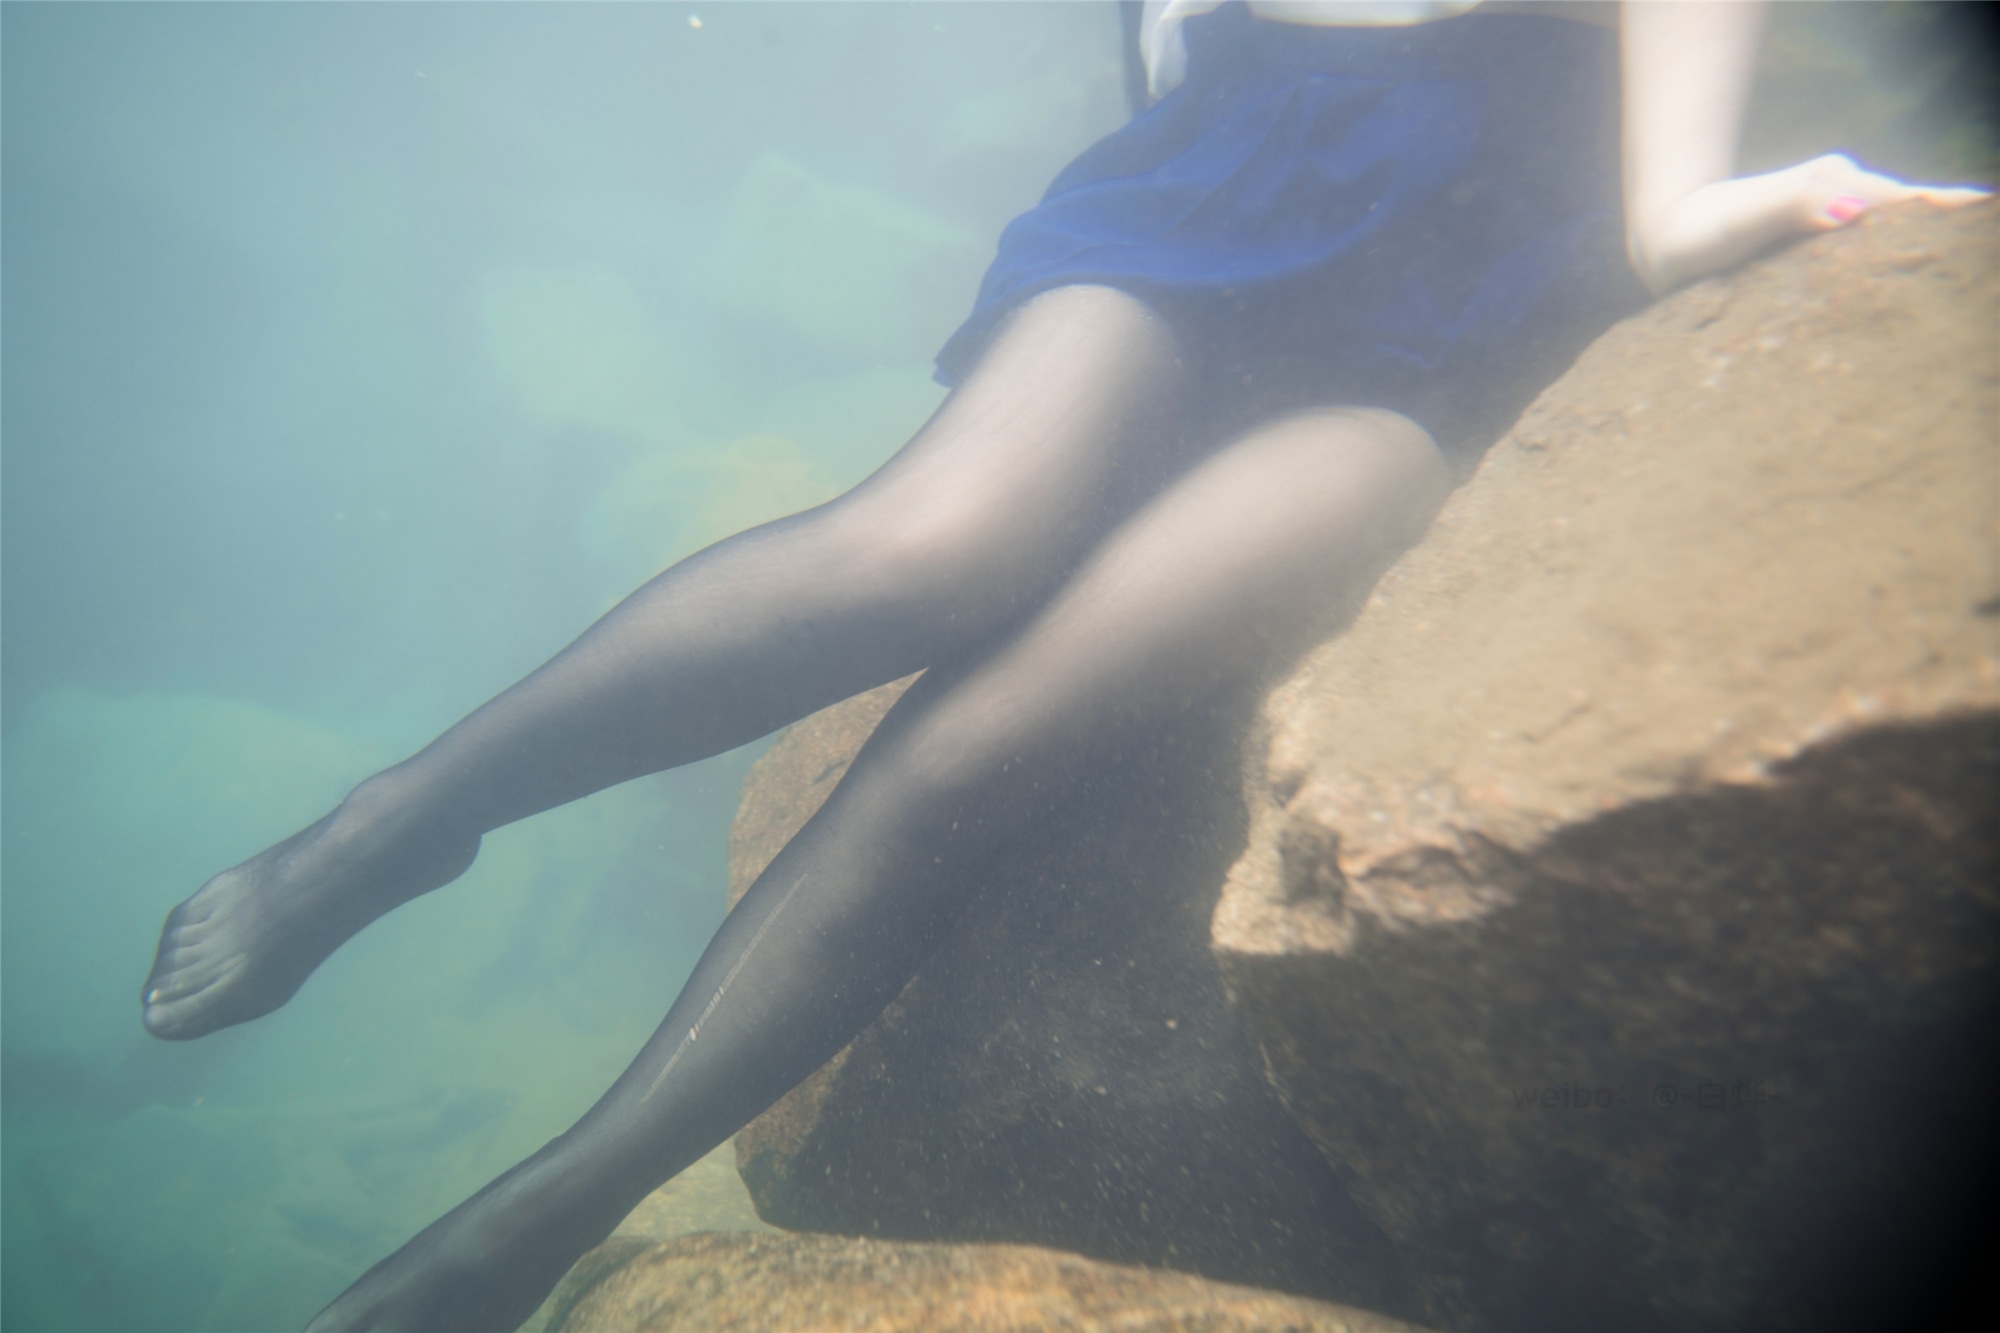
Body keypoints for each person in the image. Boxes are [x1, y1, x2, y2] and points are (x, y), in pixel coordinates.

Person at [138, 3, 1984, 1329]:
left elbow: (1660, 217)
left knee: (988, 746)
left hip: (1453, 316)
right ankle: (400, 820)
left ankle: (545, 1205)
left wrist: (1777, 214)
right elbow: (1167, 61)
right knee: (935, 544)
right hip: (1202, 207)